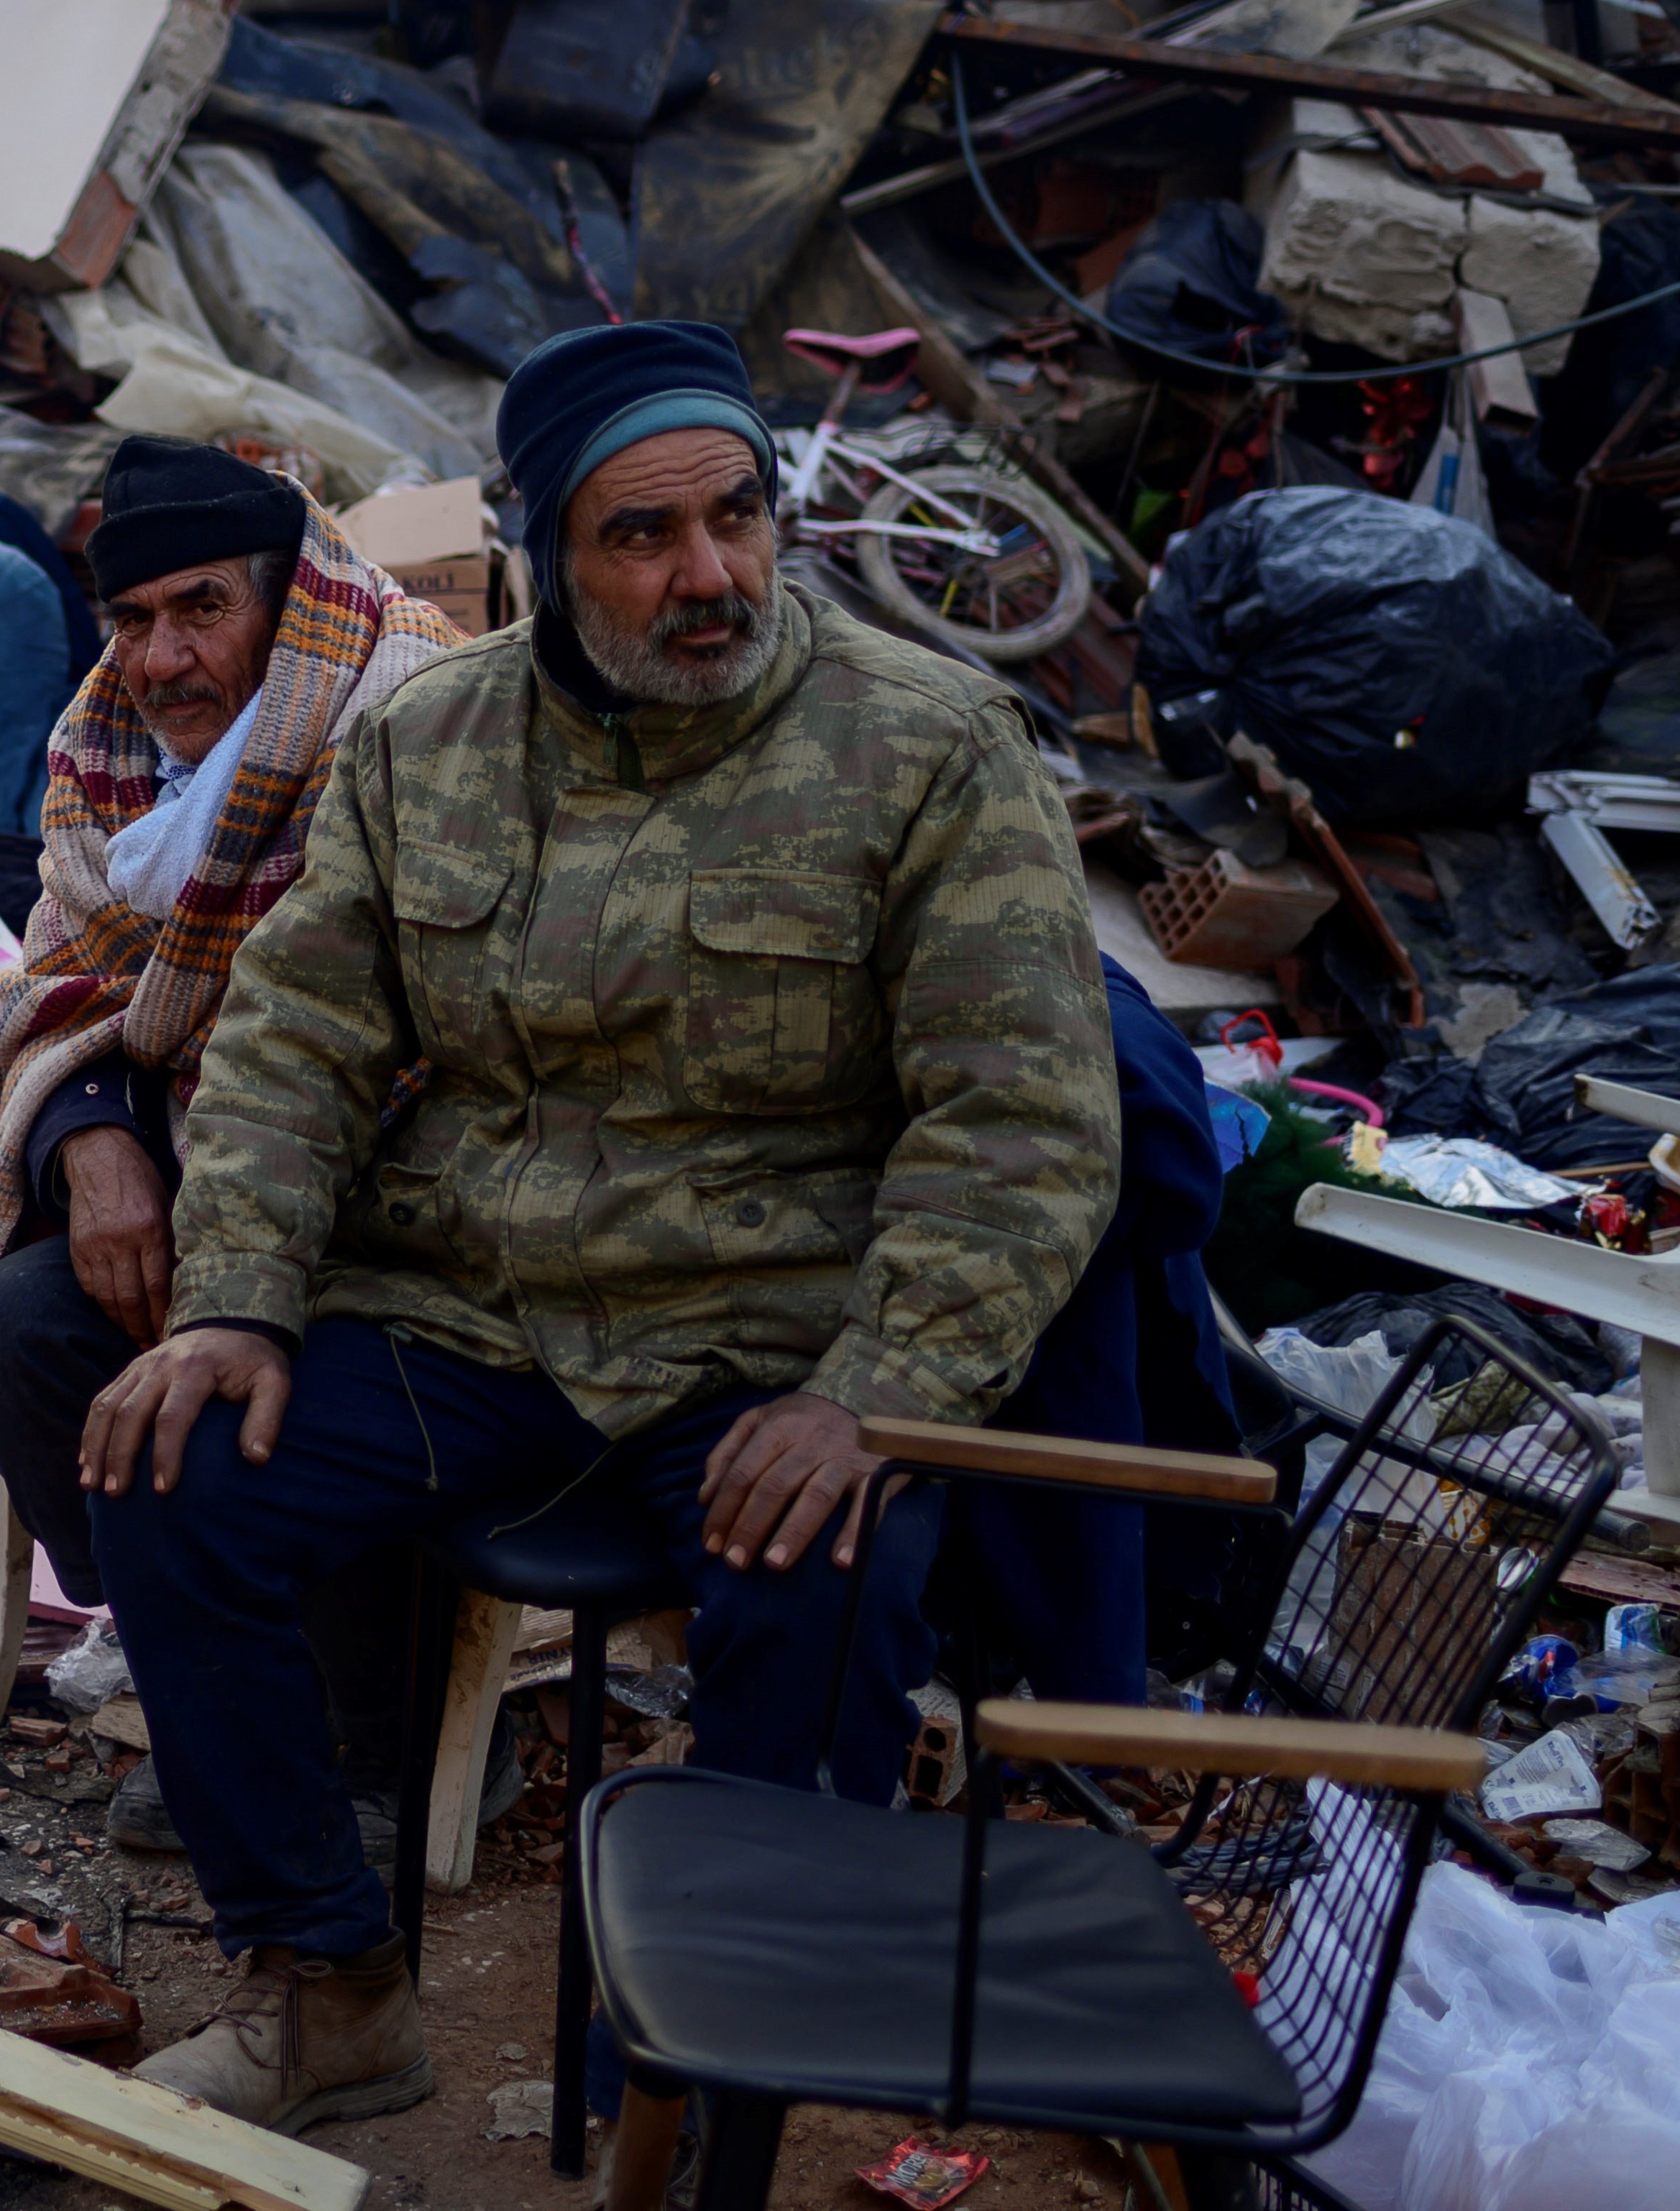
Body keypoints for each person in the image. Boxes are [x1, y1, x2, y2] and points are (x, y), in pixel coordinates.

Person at [82, 318, 1120, 2133]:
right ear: (553, 555)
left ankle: (697, 2082)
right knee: (171, 1466)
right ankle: (328, 1986)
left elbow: (1023, 1123)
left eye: (737, 516)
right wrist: (235, 1300)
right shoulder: (431, 740)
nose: (708, 574)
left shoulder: (933, 747)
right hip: (473, 1322)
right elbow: (296, 1041)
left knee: (829, 1579)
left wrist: (875, 1388)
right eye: (643, 534)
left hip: (762, 1349)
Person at [0, 436, 459, 1843]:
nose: (161, 659)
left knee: (293, 1372)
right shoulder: (107, 747)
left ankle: (383, 1740)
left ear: (287, 601)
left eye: (203, 609)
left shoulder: (412, 718)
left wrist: (237, 1246)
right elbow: (57, 977)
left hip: (400, 1203)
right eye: (132, 617)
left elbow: (393, 1031)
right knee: (9, 1339)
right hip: (192, 1165)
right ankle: (224, 1680)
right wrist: (92, 1135)